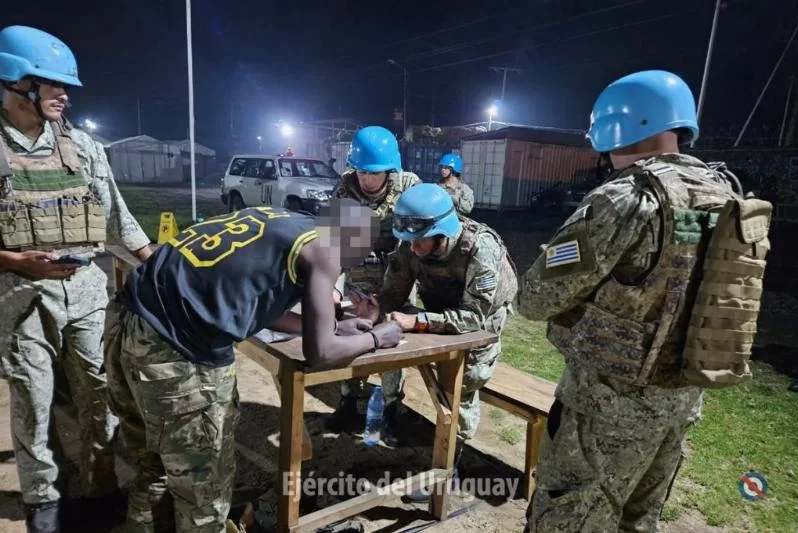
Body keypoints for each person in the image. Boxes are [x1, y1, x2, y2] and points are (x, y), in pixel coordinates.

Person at [518, 70, 771, 532]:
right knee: (638, 520)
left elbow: (534, 299)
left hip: (606, 407)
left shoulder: (625, 199)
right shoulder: (724, 194)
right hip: (681, 399)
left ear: (618, 126)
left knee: (567, 518)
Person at [105, 200, 403, 533]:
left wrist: (331, 326)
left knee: (156, 465)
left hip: (127, 320)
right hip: (174, 350)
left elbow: (258, 303)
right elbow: (320, 354)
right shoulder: (326, 248)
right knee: (204, 495)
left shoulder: (276, 218)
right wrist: (378, 337)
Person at [0, 25, 152, 533]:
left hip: (87, 295)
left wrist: (155, 263)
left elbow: (117, 220)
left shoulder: (84, 148)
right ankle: (44, 505)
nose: (63, 94)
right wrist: (17, 262)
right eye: (51, 83)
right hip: (22, 299)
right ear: (16, 81)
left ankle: (99, 492)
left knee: (97, 397)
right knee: (34, 407)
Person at [350, 183, 518, 500]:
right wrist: (377, 307)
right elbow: (394, 293)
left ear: (442, 231)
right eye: (408, 241)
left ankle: (449, 469)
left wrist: (419, 321)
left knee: (460, 390)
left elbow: (476, 319)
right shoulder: (411, 243)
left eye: (419, 241)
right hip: (443, 313)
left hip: (481, 326)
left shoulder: (480, 248)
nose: (412, 248)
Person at [326, 125, 421, 446]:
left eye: (374, 173)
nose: (367, 179)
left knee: (391, 340)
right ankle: (347, 401)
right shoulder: (344, 188)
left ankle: (392, 409)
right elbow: (336, 242)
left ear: (389, 169)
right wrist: (333, 286)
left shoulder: (410, 186)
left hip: (399, 271)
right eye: (361, 171)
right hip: (360, 270)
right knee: (353, 332)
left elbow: (423, 230)